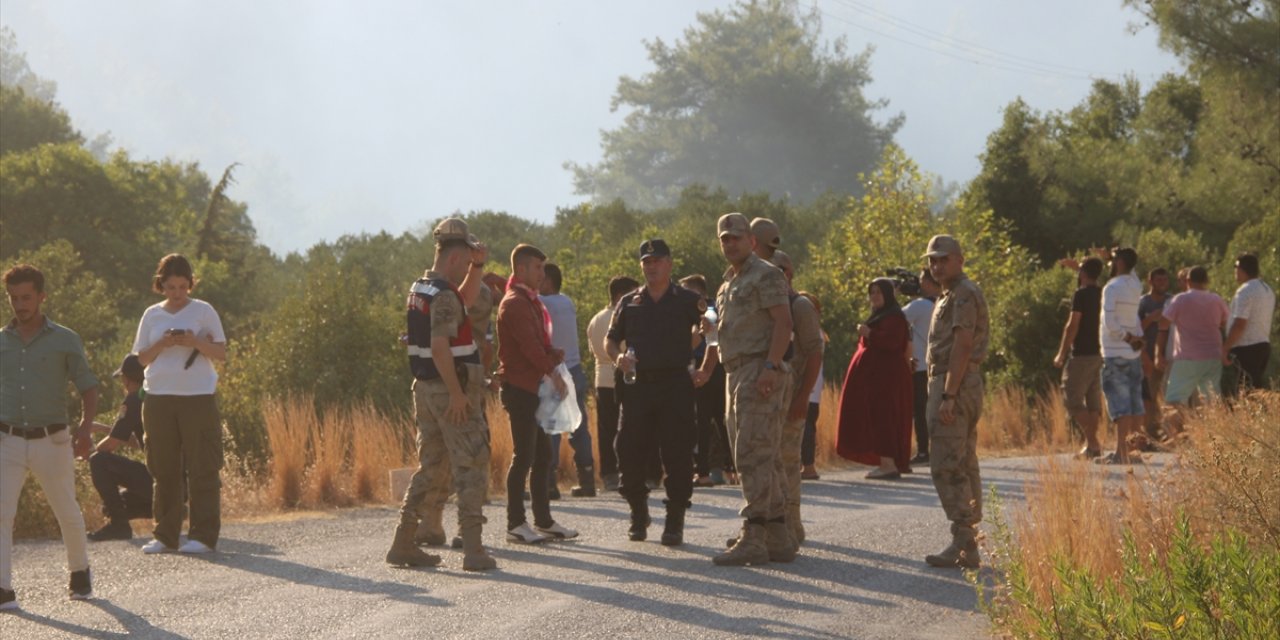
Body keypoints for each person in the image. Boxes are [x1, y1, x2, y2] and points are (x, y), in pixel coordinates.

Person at [388, 218, 497, 571]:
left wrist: (478, 267)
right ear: (454, 258)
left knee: (431, 467)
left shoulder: (423, 288)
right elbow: (440, 348)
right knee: (471, 464)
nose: (469, 265)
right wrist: (457, 395)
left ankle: (403, 541)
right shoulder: (443, 294)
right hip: (448, 390)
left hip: (425, 390)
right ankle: (474, 550)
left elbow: (462, 301)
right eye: (466, 260)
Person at [2, 264, 98, 607]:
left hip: (52, 439)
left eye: (26, 297)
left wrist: (86, 429)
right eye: (14, 298)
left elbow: (89, 387)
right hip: (7, 439)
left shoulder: (65, 339)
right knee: (1, 512)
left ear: (41, 297)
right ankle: (3, 588)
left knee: (66, 510)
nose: (20, 304)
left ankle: (79, 572)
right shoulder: (1, 342)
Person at [606, 239, 707, 546]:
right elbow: (611, 341)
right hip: (638, 385)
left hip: (675, 384)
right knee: (628, 449)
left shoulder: (688, 300)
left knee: (677, 453)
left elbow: (713, 332)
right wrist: (618, 358)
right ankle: (639, 512)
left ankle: (675, 519)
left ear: (669, 264)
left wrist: (706, 368)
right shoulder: (629, 301)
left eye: (657, 261)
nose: (652, 267)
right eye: (647, 262)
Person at [710, 213, 795, 566]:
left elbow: (783, 322)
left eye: (736, 237)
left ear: (752, 241)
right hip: (736, 372)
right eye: (724, 239)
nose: (730, 243)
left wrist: (771, 366)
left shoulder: (765, 274)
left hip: (759, 369)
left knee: (751, 454)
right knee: (762, 454)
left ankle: (754, 535)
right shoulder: (729, 281)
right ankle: (777, 535)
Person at [133, 254, 226, 554]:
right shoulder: (151, 315)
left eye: (183, 286)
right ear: (161, 285)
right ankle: (166, 535)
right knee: (164, 468)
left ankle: (203, 535)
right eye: (171, 287)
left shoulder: (204, 311)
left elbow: (221, 353)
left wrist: (194, 342)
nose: (177, 293)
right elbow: (140, 360)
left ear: (190, 284)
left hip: (197, 396)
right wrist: (163, 344)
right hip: (159, 397)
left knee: (203, 466)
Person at [497, 244, 578, 544]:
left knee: (543, 455)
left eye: (543, 269)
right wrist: (552, 373)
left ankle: (543, 520)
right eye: (537, 269)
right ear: (521, 270)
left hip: (533, 388)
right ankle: (515, 523)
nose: (543, 275)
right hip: (520, 389)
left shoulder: (530, 301)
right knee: (524, 456)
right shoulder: (515, 303)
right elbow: (529, 348)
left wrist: (552, 354)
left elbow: (536, 342)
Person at [922, 235, 990, 569]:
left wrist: (949, 394)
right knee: (962, 459)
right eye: (932, 260)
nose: (937, 266)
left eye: (943, 259)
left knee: (947, 463)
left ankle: (965, 541)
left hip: (956, 384)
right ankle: (967, 538)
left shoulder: (963, 293)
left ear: (960, 260)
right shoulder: (951, 293)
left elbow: (963, 344)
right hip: (959, 382)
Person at [765, 251, 823, 544]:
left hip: (793, 396)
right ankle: (771, 526)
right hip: (767, 398)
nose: (774, 274)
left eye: (779, 270)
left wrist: (804, 396)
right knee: (767, 462)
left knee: (788, 462)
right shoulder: (767, 304)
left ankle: (792, 525)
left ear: (789, 273)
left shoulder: (800, 306)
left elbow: (815, 352)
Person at [835, 278, 913, 479]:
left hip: (887, 379)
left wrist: (869, 333)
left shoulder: (894, 317)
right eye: (872, 292)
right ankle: (886, 462)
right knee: (878, 418)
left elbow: (893, 343)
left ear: (887, 294)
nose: (874, 296)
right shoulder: (882, 316)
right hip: (878, 379)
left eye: (878, 292)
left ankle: (888, 464)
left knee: (885, 418)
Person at [539, 263, 596, 498]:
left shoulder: (544, 303)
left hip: (555, 371)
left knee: (551, 427)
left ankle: (549, 482)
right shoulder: (567, 302)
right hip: (574, 369)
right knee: (578, 426)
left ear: (549, 281)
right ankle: (588, 477)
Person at [86, 354, 154, 541]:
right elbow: (136, 439)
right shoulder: (155, 396)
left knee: (98, 461)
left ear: (126, 379)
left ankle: (119, 526)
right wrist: (105, 429)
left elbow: (108, 447)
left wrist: (89, 450)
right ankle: (174, 508)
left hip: (158, 481)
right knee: (114, 504)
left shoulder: (133, 400)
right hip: (178, 484)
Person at [1156, 266, 1230, 436]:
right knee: (1211, 399)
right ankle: (1215, 437)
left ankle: (1172, 437)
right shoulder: (1216, 299)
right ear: (1207, 281)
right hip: (1212, 355)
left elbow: (1163, 323)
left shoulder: (1180, 300)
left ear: (1188, 281)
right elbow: (1224, 322)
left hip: (1187, 357)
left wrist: (1158, 352)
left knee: (1174, 399)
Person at [587, 275, 640, 493]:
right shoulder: (626, 317)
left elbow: (593, 350)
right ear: (621, 295)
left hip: (602, 379)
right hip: (625, 377)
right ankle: (631, 469)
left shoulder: (595, 319)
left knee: (606, 429)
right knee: (629, 427)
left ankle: (608, 473)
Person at [1096, 247, 1145, 465]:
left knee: (1119, 404)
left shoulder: (1111, 287)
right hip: (1133, 353)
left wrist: (1125, 337)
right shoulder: (1135, 284)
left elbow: (1109, 321)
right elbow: (1131, 271)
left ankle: (1121, 452)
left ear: (1120, 263)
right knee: (1135, 402)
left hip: (1115, 350)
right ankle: (1133, 452)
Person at [1052, 257, 1105, 459]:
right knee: (1092, 401)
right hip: (1099, 352)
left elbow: (1072, 325)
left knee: (1072, 398)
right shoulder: (1103, 293)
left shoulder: (1081, 294)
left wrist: (1061, 353)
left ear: (1082, 273)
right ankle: (1091, 447)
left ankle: (1093, 441)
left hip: (1081, 353)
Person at [677, 274, 725, 490]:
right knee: (707, 420)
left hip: (710, 366)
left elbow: (704, 340)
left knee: (712, 419)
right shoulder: (694, 310)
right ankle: (711, 470)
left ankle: (710, 471)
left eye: (688, 291)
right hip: (701, 365)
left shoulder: (709, 310)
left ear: (701, 294)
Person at [902, 269, 940, 465]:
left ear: (929, 282)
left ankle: (923, 451)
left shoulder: (919, 305)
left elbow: (895, 320)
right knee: (933, 409)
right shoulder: (942, 303)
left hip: (918, 364)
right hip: (937, 365)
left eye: (922, 279)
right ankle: (937, 449)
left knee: (919, 410)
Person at [1223, 253, 1275, 394]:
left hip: (1246, 347)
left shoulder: (1245, 291)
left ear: (1240, 268)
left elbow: (1240, 323)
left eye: (1235, 267)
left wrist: (1225, 348)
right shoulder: (1267, 289)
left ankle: (1250, 416)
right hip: (1263, 344)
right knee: (1254, 388)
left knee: (1246, 390)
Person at [1137, 268, 1171, 439]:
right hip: (1148, 358)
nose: (1162, 284)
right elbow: (1134, 332)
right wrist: (1150, 319)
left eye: (1165, 280)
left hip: (1169, 358)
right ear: (1150, 281)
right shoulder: (1142, 303)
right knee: (1148, 399)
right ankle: (1150, 436)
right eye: (1158, 280)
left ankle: (1167, 434)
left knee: (1169, 398)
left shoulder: (1172, 301)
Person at [797, 292, 827, 481]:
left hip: (810, 386)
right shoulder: (816, 330)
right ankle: (805, 464)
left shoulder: (815, 332)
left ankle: (809, 466)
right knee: (806, 425)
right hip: (812, 386)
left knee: (806, 426)